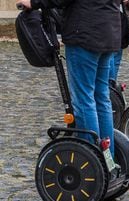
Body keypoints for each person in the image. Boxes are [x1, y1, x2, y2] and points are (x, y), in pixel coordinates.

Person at [16, 0, 122, 159]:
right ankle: (108, 158)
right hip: (109, 30)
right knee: (101, 97)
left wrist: (33, 2)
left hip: (85, 33)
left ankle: (92, 157)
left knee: (84, 99)